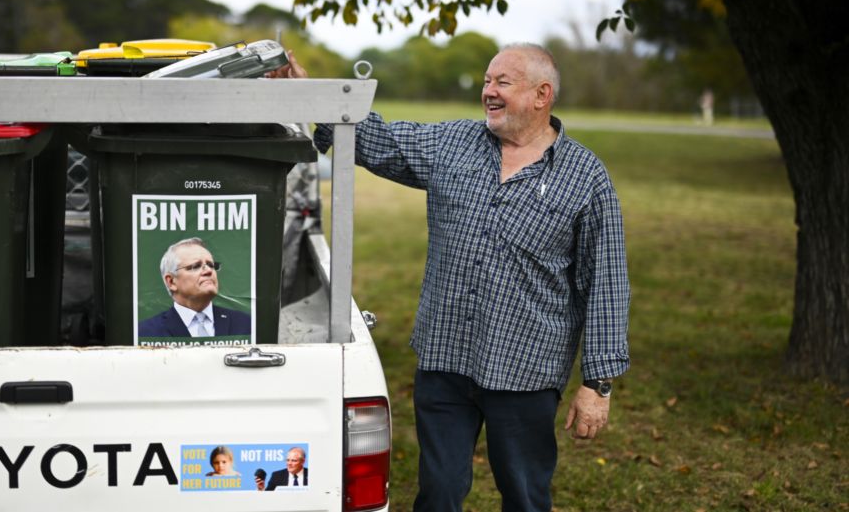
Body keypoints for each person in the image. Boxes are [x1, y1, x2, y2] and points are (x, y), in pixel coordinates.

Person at [270, 45, 630, 511]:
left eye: (503, 82)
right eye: (486, 81)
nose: (488, 92)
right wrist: (308, 93)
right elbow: (373, 136)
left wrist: (598, 383)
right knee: (438, 493)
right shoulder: (452, 144)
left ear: (543, 95)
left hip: (525, 371)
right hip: (445, 360)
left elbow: (605, 284)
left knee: (524, 496)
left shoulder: (585, 178)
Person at [137, 237, 252, 339]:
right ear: (171, 281)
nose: (208, 271)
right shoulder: (145, 332)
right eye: (195, 266)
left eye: (211, 265)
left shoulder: (245, 324)